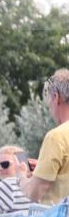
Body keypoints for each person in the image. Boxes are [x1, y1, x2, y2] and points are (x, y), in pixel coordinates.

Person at [26, 69, 69, 204]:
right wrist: (43, 169)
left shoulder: (56, 137)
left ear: (56, 97)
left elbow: (34, 193)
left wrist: (20, 176)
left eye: (49, 99)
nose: (49, 106)